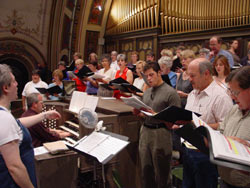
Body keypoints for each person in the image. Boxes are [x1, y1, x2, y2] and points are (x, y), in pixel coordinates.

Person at [0, 64, 61, 188]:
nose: (17, 84)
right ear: (5, 87)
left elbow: (17, 124)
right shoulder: (4, 118)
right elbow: (15, 167)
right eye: (14, 81)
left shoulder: (5, 115)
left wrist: (44, 115)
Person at [182, 58, 233, 188]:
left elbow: (226, 126)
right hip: (188, 149)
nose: (189, 79)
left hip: (206, 154)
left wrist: (198, 125)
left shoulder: (220, 96)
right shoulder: (193, 93)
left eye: (193, 76)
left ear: (206, 74)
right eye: (189, 75)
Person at [133, 62, 181, 188]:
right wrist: (139, 113)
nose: (149, 79)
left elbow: (175, 121)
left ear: (159, 73)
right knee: (146, 171)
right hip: (145, 132)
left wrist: (156, 115)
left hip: (161, 133)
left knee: (162, 174)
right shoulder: (147, 92)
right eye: (146, 76)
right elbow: (145, 115)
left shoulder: (171, 93)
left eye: (151, 75)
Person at [218, 66, 250, 188]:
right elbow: (221, 131)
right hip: (226, 180)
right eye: (230, 91)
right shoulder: (234, 109)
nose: (232, 97)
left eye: (235, 92)